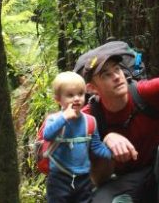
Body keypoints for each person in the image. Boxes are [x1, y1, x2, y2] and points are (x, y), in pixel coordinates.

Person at [77, 18, 159, 203]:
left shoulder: (144, 92)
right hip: (127, 182)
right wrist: (105, 143)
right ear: (92, 88)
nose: (116, 77)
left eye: (117, 69)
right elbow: (96, 177)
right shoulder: (88, 118)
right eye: (106, 75)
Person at [43, 71, 112, 203]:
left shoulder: (90, 121)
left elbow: (96, 146)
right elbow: (48, 135)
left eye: (80, 94)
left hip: (83, 178)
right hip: (59, 178)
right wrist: (64, 118)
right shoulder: (54, 119)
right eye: (70, 95)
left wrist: (112, 154)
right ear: (58, 99)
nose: (76, 98)